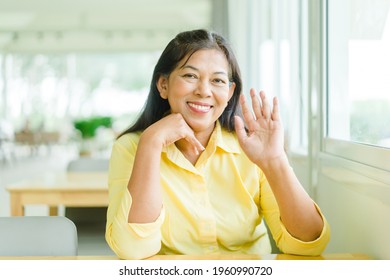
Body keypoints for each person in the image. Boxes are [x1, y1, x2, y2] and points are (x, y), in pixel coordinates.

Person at [105, 29, 330, 260]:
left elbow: (309, 244)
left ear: (230, 93)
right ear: (163, 85)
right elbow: (133, 250)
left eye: (218, 80)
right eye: (190, 76)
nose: (204, 91)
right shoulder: (131, 147)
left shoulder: (249, 148)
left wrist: (275, 162)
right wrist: (151, 143)